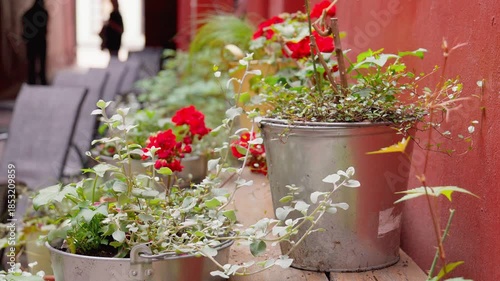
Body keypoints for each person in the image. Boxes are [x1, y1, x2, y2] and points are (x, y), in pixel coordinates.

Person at [22, 0, 48, 85]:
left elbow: (23, 23)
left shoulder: (28, 13)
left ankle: (31, 80)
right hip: (40, 41)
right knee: (42, 62)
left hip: (31, 42)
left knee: (31, 62)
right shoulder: (44, 13)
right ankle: (42, 79)